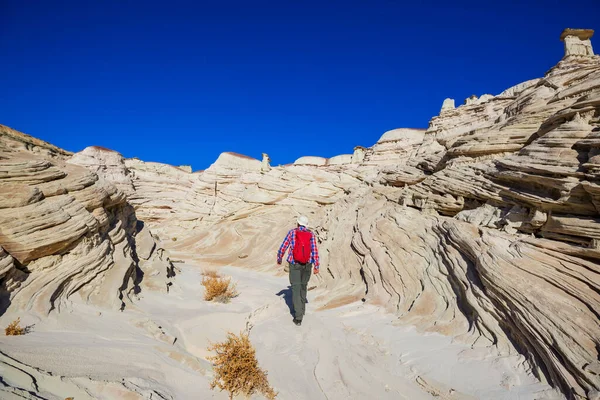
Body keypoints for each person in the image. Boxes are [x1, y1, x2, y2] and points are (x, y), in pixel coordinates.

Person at [277, 215, 320, 326]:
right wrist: (316, 266)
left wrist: (279, 258)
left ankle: (298, 317)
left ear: (297, 223)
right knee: (303, 286)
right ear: (306, 225)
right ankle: (302, 310)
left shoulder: (292, 233)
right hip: (308, 264)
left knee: (295, 288)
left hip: (294, 263)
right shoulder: (311, 234)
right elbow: (314, 250)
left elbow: (284, 246)